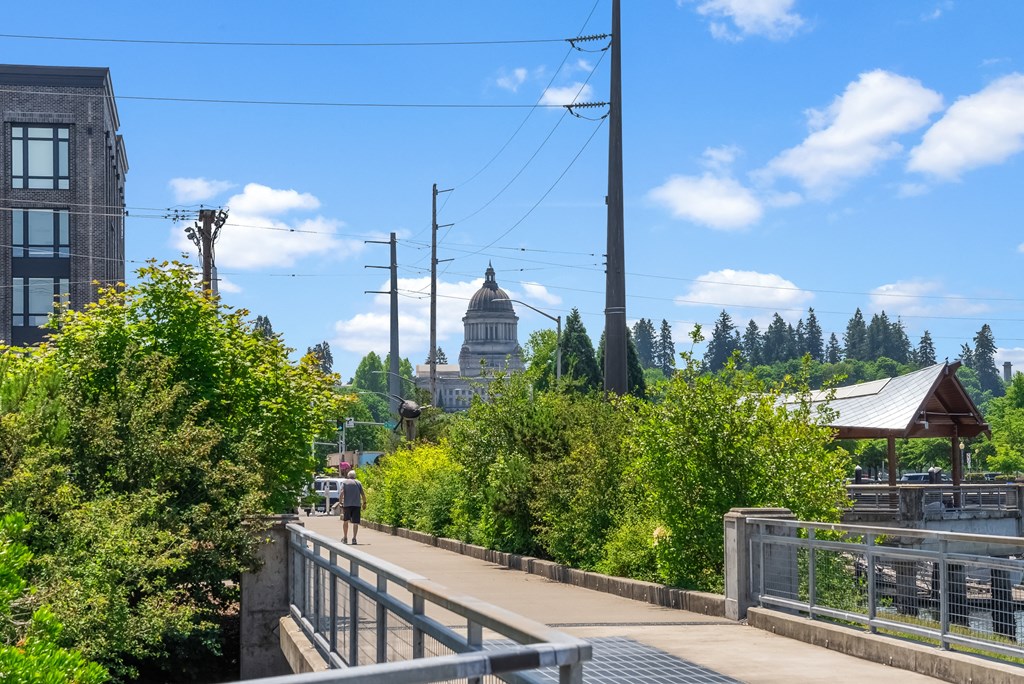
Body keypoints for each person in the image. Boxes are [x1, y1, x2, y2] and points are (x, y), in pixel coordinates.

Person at [339, 469, 367, 544]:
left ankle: (345, 537)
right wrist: (364, 503)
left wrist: (340, 502)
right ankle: (354, 538)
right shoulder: (358, 483)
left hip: (347, 505)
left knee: (345, 521)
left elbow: (342, 492)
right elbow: (363, 494)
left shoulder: (344, 482)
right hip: (356, 505)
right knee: (355, 523)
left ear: (348, 476)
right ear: (355, 476)